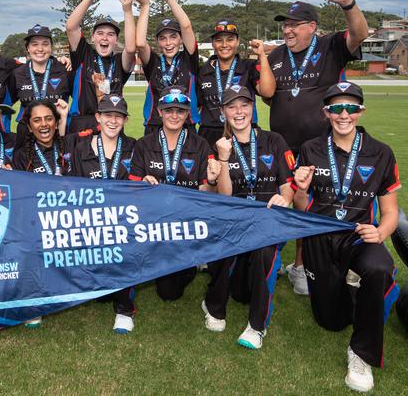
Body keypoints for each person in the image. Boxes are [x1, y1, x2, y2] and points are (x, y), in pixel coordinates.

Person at [293, 82, 400, 392]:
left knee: (379, 267)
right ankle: (353, 287)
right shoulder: (311, 149)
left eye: (351, 108)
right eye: (336, 108)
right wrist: (300, 188)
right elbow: (302, 209)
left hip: (358, 236)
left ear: (361, 111)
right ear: (326, 113)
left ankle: (361, 354)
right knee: (331, 321)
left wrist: (380, 231)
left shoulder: (381, 152)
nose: (344, 114)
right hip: (320, 235)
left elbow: (391, 212)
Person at [267, 0, 368, 295]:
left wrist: (348, 3)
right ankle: (272, 261)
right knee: (282, 202)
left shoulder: (329, 46)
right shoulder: (276, 56)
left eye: (294, 25)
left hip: (322, 146)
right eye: (285, 25)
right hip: (281, 146)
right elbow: (270, 95)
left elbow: (360, 34)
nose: (287, 31)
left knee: (311, 204)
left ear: (312, 26)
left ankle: (302, 266)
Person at [202, 85, 294, 349]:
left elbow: (287, 184)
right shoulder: (218, 146)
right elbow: (226, 196)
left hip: (267, 219)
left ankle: (257, 326)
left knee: (265, 252)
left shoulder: (274, 140)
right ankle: (214, 304)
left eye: (244, 104)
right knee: (227, 256)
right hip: (235, 219)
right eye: (232, 106)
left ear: (252, 108)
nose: (239, 111)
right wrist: (223, 158)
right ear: (223, 113)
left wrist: (285, 198)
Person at [128, 86, 220, 301]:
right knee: (166, 290)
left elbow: (207, 191)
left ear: (188, 114)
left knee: (170, 293)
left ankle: (190, 259)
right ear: (159, 112)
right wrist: (142, 184)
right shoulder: (144, 144)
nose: (174, 115)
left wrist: (213, 181)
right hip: (154, 222)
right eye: (169, 110)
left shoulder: (200, 144)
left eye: (180, 110)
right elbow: (132, 189)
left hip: (185, 223)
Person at [65, 94, 136, 333]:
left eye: (118, 116)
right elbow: (73, 189)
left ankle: (124, 310)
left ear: (125, 120)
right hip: (91, 222)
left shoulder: (134, 147)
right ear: (98, 117)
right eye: (108, 115)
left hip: (124, 223)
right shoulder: (81, 147)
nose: (113, 121)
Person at [11, 98, 69, 328]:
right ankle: (34, 301)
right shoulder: (21, 156)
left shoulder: (70, 146)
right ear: (29, 125)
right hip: (37, 221)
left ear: (56, 122)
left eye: (48, 119)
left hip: (68, 219)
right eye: (37, 120)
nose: (43, 125)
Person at [65, 0, 136, 132]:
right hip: (82, 123)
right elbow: (71, 27)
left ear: (116, 40)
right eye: (100, 33)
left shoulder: (119, 61)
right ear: (92, 37)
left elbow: (130, 48)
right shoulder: (84, 54)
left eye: (111, 34)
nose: (105, 38)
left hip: (112, 122)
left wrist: (127, 10)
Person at [134, 0, 201, 135]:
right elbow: (140, 43)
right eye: (163, 38)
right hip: (155, 127)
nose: (168, 42)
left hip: (186, 126)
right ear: (158, 42)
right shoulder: (153, 63)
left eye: (173, 36)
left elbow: (186, 25)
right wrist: (145, 5)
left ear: (180, 39)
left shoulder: (188, 59)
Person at [195, 20, 275, 147]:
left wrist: (262, 55)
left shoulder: (248, 66)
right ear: (213, 44)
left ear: (237, 42)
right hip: (209, 135)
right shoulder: (203, 71)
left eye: (230, 39)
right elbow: (197, 106)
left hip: (243, 131)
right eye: (219, 40)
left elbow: (268, 92)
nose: (224, 44)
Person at [8, 25, 73, 145]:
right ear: (27, 48)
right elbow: (6, 105)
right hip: (27, 136)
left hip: (59, 133)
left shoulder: (64, 70)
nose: (40, 48)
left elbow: (78, 104)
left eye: (45, 44)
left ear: (51, 47)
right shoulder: (17, 73)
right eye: (34, 44)